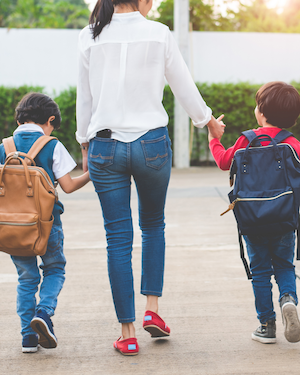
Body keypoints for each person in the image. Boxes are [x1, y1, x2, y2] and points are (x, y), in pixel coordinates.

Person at [76, 0, 224, 356]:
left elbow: (86, 96)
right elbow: (183, 86)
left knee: (117, 238)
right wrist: (208, 122)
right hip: (152, 145)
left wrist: (84, 142)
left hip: (105, 146)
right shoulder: (159, 34)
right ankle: (152, 311)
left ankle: (127, 333)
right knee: (153, 226)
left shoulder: (89, 35)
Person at [209, 81, 300, 344]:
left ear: (260, 113)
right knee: (284, 265)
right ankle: (288, 300)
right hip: (284, 218)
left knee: (260, 271)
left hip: (252, 219)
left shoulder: (247, 140)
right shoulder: (292, 143)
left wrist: (214, 139)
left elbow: (224, 161)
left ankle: (266, 326)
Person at [0, 92, 90, 353]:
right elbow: (69, 186)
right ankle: (44, 313)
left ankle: (28, 337)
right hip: (47, 224)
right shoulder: (52, 145)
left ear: (19, 120)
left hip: (12, 228)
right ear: (50, 120)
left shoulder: (4, 147)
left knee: (26, 279)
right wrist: (90, 174)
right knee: (55, 269)